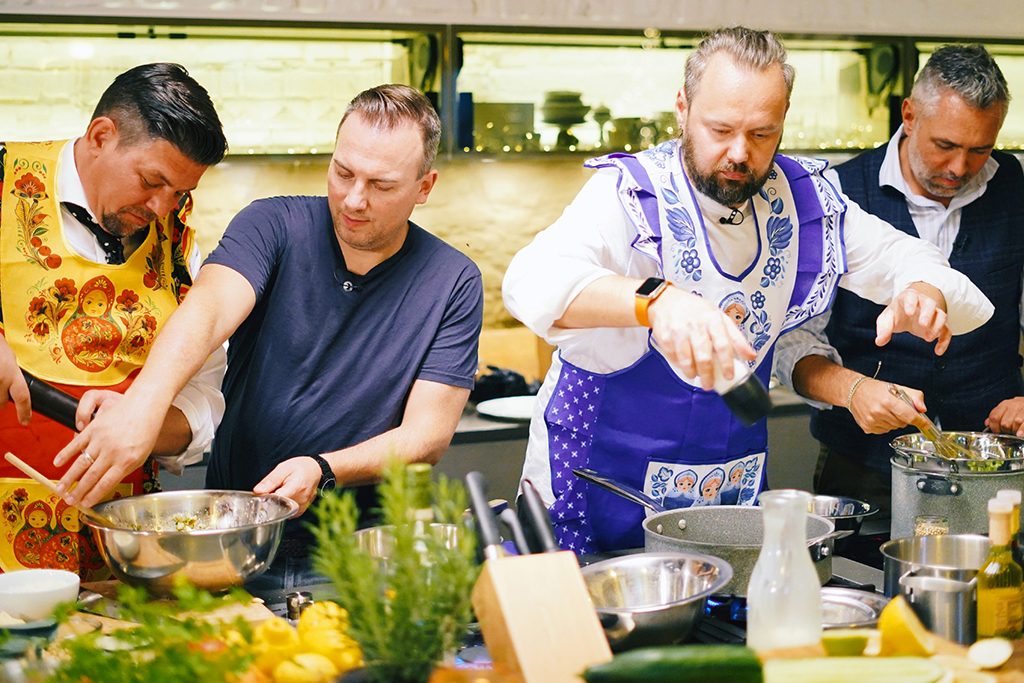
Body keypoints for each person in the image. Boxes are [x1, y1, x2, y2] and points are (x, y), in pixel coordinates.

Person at [502, 27, 994, 554]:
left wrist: (923, 289)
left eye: (762, 134)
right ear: (682, 108)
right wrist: (657, 301)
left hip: (726, 507)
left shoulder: (802, 204)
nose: (740, 153)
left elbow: (911, 258)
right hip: (600, 498)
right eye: (721, 129)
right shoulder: (629, 195)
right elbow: (530, 280)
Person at [53, 84, 484, 588]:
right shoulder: (273, 224)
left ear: (424, 186)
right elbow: (210, 307)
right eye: (342, 173)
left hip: (364, 552)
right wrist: (143, 404)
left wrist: (323, 468)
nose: (354, 199)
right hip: (232, 540)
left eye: (381, 185)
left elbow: (426, 436)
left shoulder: (453, 280)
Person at [774, 44, 1023, 514]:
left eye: (980, 149)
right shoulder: (838, 196)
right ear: (908, 115)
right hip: (862, 467)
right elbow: (790, 344)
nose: (959, 168)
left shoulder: (1016, 189)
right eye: (945, 145)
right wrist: (851, 391)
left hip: (992, 466)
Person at [0, 63, 227, 578]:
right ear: (102, 135)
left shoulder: (182, 245)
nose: (162, 207)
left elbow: (205, 398)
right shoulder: (3, 180)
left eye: (179, 193)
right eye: (152, 182)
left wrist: (145, 427)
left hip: (122, 545)